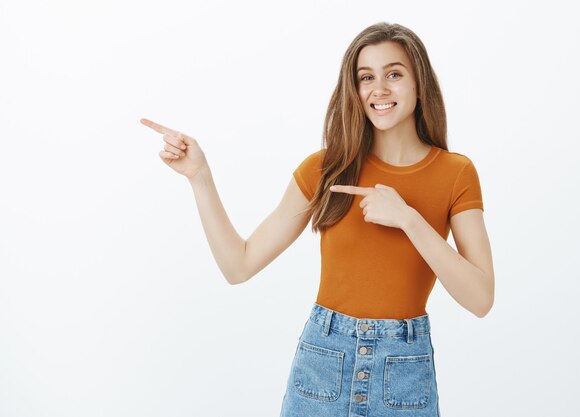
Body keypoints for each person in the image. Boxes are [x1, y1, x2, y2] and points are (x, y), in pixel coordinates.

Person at [141, 21, 494, 417]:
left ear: (419, 83)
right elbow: (238, 265)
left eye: (394, 74)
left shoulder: (455, 173)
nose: (379, 89)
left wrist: (409, 220)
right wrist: (199, 177)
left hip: (404, 375)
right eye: (366, 77)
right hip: (323, 366)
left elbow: (480, 299)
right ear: (354, 89)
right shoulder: (326, 170)